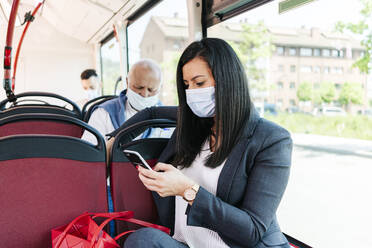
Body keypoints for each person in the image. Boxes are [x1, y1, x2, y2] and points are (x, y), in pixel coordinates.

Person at [122, 38, 293, 248]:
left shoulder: (271, 139)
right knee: (141, 240)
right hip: (189, 242)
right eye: (187, 85)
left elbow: (252, 230)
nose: (192, 92)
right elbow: (152, 112)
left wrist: (188, 190)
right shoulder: (193, 125)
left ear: (227, 80)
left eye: (199, 83)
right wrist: (112, 140)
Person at [81, 59, 163, 144]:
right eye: (139, 87)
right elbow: (89, 151)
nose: (144, 94)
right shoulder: (103, 113)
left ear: (160, 87)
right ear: (127, 82)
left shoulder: (167, 120)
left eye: (152, 89)